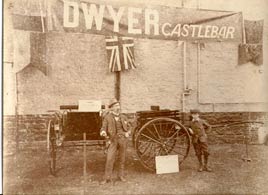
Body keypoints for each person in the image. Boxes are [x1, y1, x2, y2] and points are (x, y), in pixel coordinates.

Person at [99, 99, 132, 184]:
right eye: (116, 106)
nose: (118, 107)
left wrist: (128, 133)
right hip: (113, 140)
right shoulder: (107, 117)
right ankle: (107, 178)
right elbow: (103, 127)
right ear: (112, 108)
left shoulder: (123, 117)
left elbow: (129, 127)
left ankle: (120, 176)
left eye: (119, 105)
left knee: (122, 158)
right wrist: (103, 132)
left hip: (122, 140)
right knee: (110, 159)